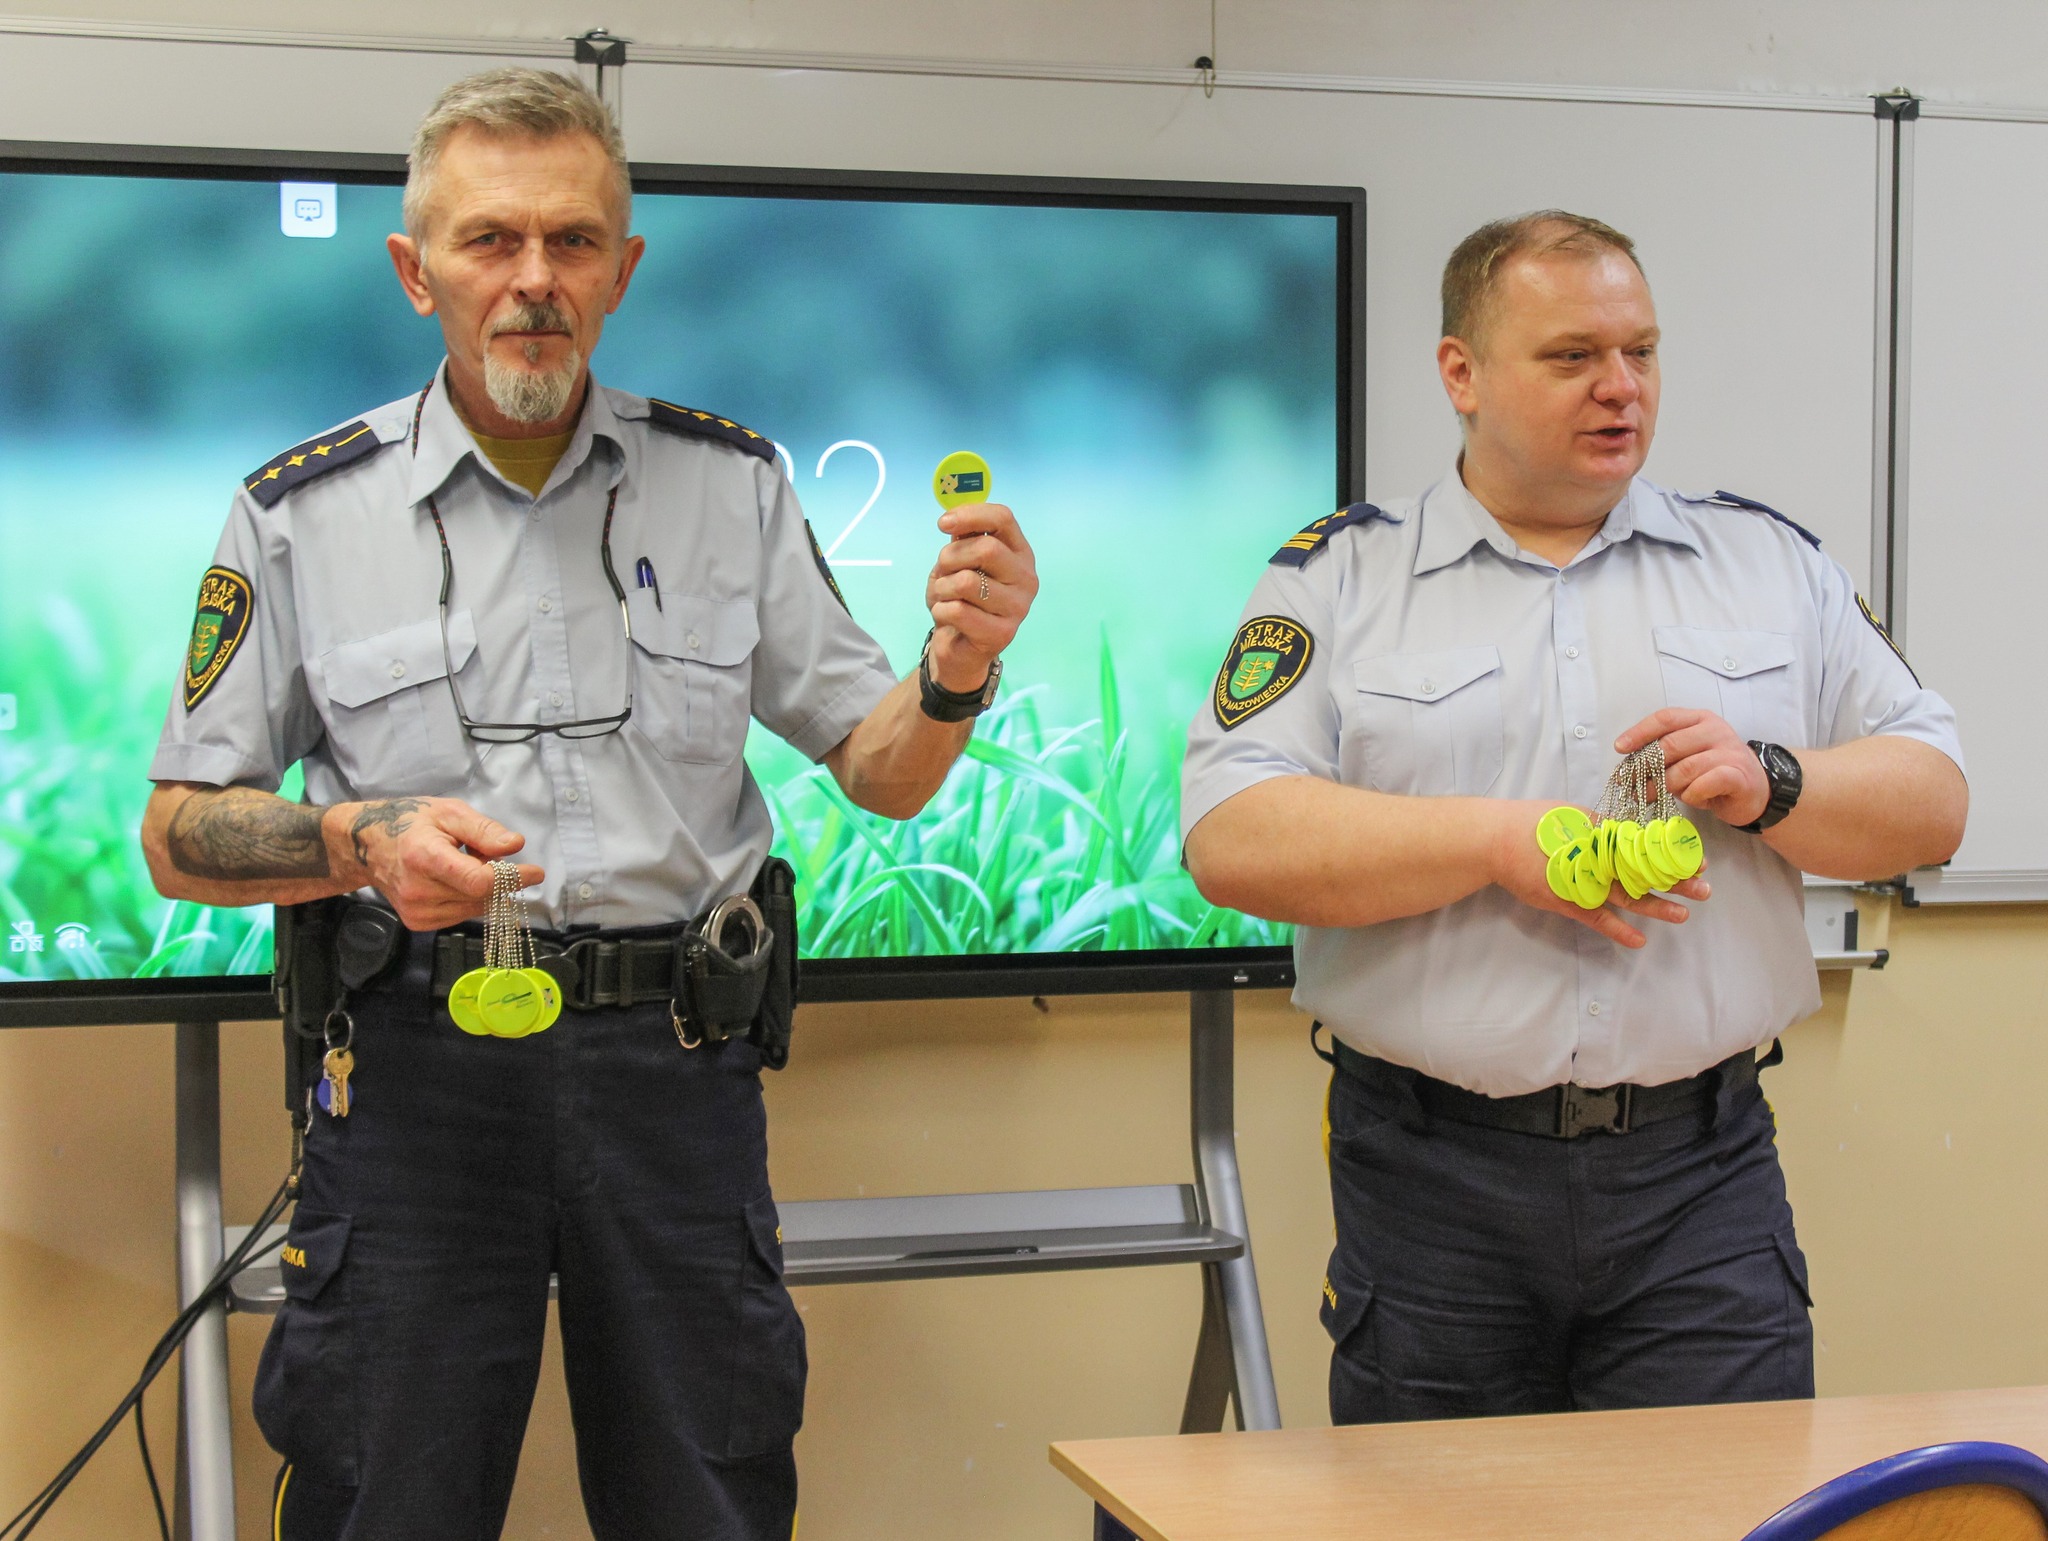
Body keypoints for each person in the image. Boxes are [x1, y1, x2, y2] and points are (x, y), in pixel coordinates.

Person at [139, 67, 1036, 1541]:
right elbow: (177, 833)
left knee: (712, 1500)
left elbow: (877, 771)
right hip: (415, 1077)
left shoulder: (729, 485)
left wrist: (954, 670)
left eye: (571, 243)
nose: (533, 281)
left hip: (674, 1077)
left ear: (625, 269)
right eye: (491, 241)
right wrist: (358, 842)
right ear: (413, 270)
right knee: (386, 1503)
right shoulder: (297, 514)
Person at [1180, 210, 1965, 1424]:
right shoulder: (1335, 575)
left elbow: (1934, 800)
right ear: (1459, 373)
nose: (1619, 389)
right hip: (1432, 1178)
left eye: (1639, 352)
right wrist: (1494, 846)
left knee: (1725, 1512)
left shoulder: (1764, 560)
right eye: (1569, 356)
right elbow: (1231, 833)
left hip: (1698, 1171)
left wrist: (1775, 782)